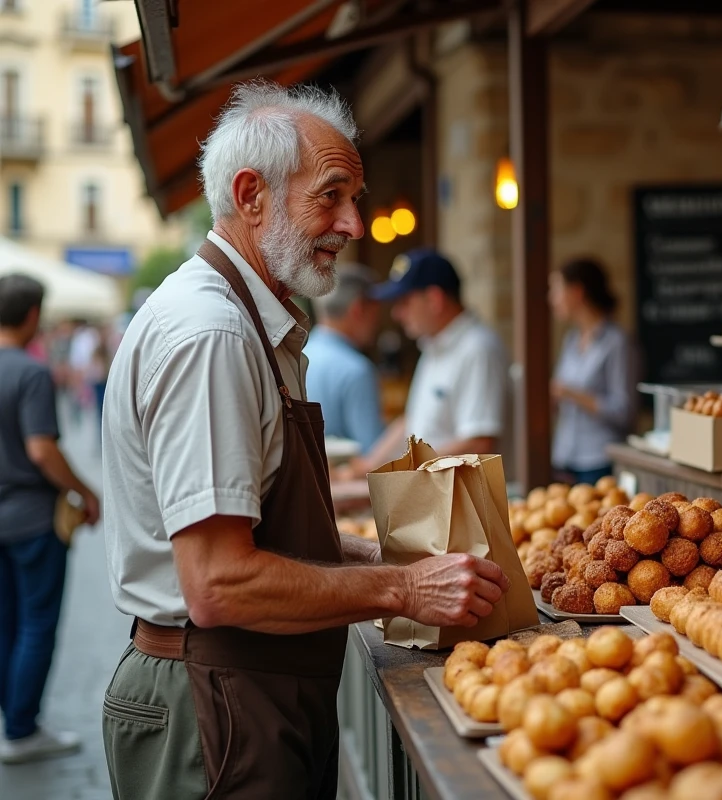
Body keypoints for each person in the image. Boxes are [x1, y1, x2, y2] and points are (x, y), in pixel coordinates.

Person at [100, 82, 507, 799]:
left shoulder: (256, 321)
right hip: (213, 705)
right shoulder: (213, 335)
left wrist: (389, 553)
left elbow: (263, 535)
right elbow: (220, 583)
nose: (354, 224)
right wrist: (406, 585)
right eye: (332, 195)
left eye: (357, 197)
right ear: (251, 194)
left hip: (246, 690)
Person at [0, 274, 100, 764]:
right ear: (34, 315)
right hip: (33, 520)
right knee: (37, 624)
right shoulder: (31, 372)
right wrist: (86, 492)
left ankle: (12, 719)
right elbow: (42, 450)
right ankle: (21, 729)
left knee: (5, 623)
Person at [362, 248, 509, 465]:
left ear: (434, 300)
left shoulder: (477, 348)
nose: (397, 314)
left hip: (461, 496)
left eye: (404, 302)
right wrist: (366, 466)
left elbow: (479, 443)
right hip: (436, 491)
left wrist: (402, 471)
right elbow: (412, 421)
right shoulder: (434, 345)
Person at [548, 258, 636, 485]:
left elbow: (624, 411)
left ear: (577, 292)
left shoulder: (617, 343)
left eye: (556, 290)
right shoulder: (571, 340)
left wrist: (571, 393)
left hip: (599, 461)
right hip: (565, 457)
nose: (551, 299)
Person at [304, 264, 385, 451]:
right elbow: (371, 450)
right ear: (358, 310)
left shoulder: (299, 355)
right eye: (375, 312)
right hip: (342, 479)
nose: (377, 322)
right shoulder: (357, 370)